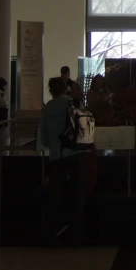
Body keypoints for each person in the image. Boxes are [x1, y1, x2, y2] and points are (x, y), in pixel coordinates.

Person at [39, 77, 88, 246]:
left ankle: (53, 235)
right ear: (65, 88)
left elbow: (44, 139)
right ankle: (75, 235)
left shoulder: (47, 109)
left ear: (50, 90)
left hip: (56, 156)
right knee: (76, 195)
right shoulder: (73, 104)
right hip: (75, 153)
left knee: (56, 196)